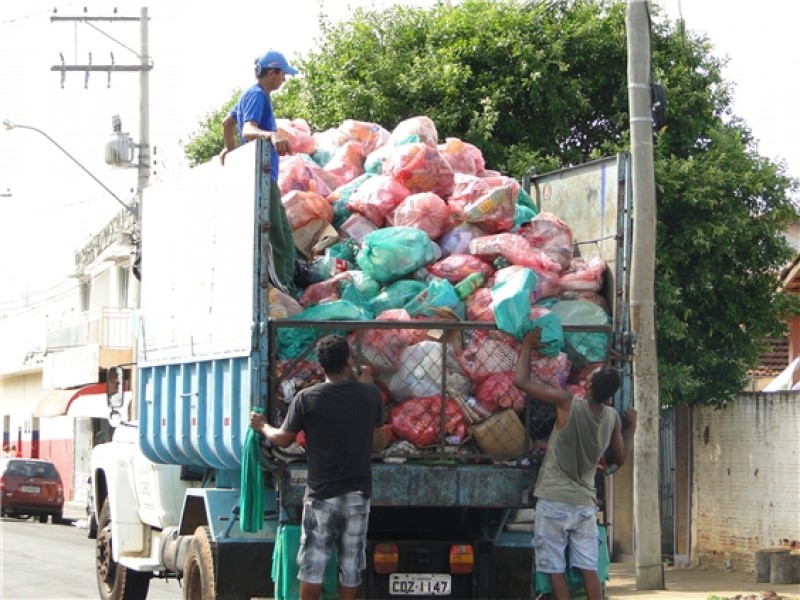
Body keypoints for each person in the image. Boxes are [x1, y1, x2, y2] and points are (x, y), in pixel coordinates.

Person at [250, 334, 384, 600]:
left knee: (313, 563)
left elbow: (283, 438)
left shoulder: (306, 398)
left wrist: (262, 425)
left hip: (321, 493)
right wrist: (359, 378)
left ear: (320, 367)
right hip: (358, 492)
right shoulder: (370, 394)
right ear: (348, 360)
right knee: (351, 563)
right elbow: (379, 426)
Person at [513, 327, 637, 600]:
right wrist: (632, 427)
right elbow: (622, 456)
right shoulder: (613, 419)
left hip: (554, 500)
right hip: (583, 504)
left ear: (589, 386)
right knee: (588, 569)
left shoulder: (568, 403)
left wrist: (526, 346)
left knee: (554, 569)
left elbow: (521, 381)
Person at [220, 48, 298, 295]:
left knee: (284, 234)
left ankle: (287, 287)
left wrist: (230, 151)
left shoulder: (252, 95)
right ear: (271, 73)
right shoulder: (258, 95)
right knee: (277, 239)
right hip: (263, 177)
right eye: (282, 73)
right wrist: (272, 135)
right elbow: (247, 129)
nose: (284, 79)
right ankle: (280, 292)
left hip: (269, 178)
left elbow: (227, 123)